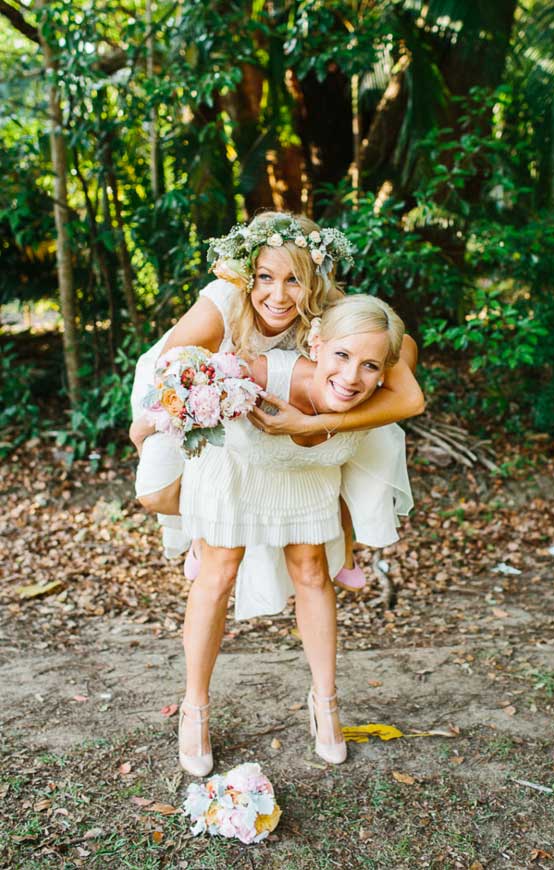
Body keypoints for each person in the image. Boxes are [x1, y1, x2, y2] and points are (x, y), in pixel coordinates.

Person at [178, 294, 423, 776]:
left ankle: (326, 702)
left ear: (387, 370)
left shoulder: (383, 387)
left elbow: (410, 389)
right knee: (219, 573)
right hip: (237, 467)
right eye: (341, 356)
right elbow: (186, 380)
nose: (351, 377)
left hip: (308, 476)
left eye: (370, 366)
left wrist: (314, 422)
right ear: (315, 345)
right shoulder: (261, 372)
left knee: (313, 572)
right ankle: (194, 706)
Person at [130, 211, 422, 587]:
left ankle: (342, 546)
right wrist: (146, 425)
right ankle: (201, 529)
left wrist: (315, 422)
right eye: (265, 277)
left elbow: (406, 379)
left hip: (284, 388)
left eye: (295, 279)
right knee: (154, 493)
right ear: (247, 274)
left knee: (365, 421)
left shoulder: (326, 300)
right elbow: (171, 374)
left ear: (313, 277)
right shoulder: (219, 306)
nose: (280, 296)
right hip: (192, 386)